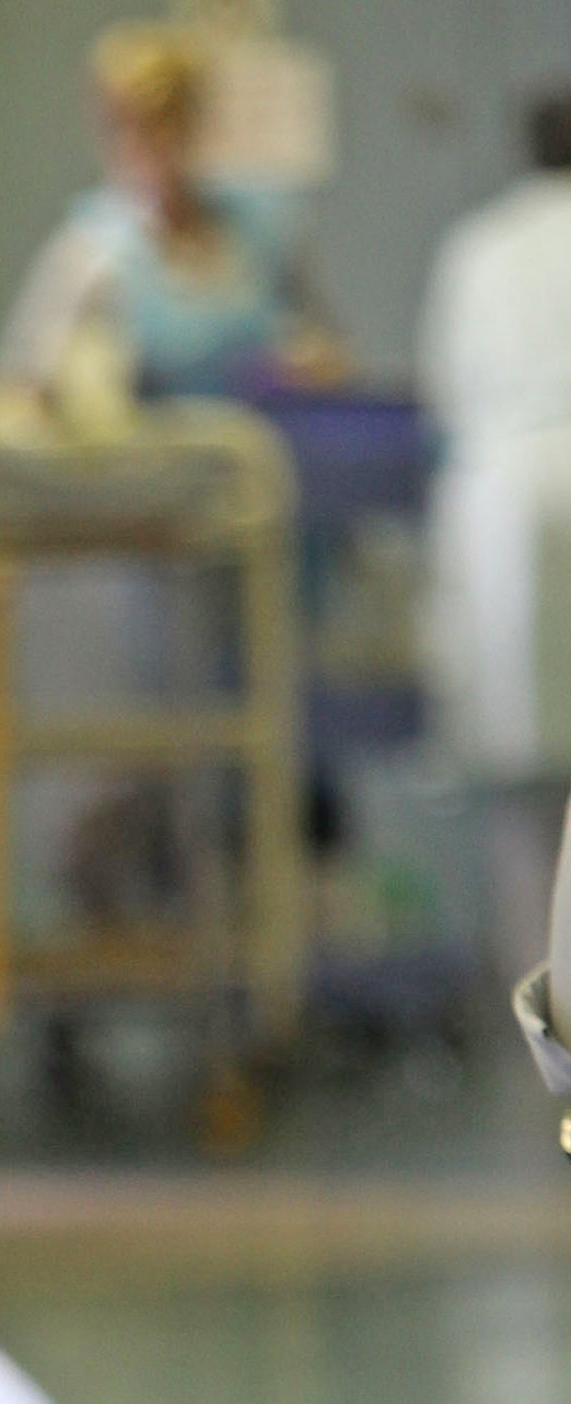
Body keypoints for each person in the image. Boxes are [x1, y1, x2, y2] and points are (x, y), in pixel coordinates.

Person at [418, 84, 571, 996]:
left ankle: (542, 1006)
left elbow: (445, 393)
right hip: (517, 493)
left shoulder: (480, 245)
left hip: (504, 509)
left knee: (519, 786)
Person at [0, 21, 341, 408]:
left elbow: (330, 355)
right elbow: (21, 389)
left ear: (195, 122)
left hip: (254, 455)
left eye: (166, 124)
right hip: (149, 462)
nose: (149, 146)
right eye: (127, 127)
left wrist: (307, 369)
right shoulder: (92, 252)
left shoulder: (260, 227)